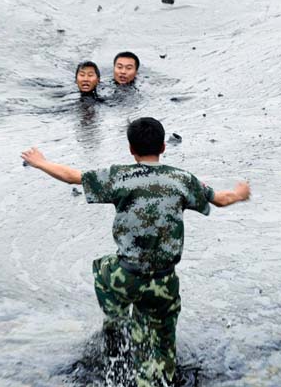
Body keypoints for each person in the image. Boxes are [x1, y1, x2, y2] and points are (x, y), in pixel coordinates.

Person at [21, 117, 250, 386]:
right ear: (163, 147)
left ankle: (116, 326)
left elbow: (73, 176)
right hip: (164, 282)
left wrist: (41, 162)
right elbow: (220, 199)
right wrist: (239, 193)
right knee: (161, 347)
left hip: (125, 275)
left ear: (131, 149)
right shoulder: (182, 179)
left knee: (102, 267)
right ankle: (154, 373)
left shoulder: (120, 177)